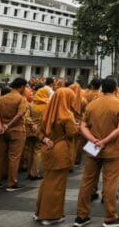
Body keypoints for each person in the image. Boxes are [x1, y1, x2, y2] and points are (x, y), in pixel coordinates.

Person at [74, 77, 119, 227]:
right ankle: (110, 217)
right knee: (110, 182)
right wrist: (104, 141)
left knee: (87, 181)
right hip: (112, 148)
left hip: (92, 148)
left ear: (102, 88)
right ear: (116, 88)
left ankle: (81, 216)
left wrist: (93, 140)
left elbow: (83, 126)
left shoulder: (92, 105)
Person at [35, 87, 78, 226]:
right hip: (61, 152)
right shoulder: (67, 115)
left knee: (46, 182)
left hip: (48, 149)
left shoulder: (47, 113)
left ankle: (39, 212)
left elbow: (40, 133)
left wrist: (45, 139)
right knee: (56, 186)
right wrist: (79, 126)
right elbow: (72, 133)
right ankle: (50, 216)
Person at [0, 77, 28, 192]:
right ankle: (12, 183)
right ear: (22, 87)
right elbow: (20, 114)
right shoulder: (21, 99)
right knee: (14, 158)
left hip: (3, 131)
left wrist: (1, 126)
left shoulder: (2, 98)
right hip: (16, 130)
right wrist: (9, 125)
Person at [25, 85, 51, 180]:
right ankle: (35, 173)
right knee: (38, 151)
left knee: (30, 151)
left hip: (30, 131)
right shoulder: (47, 106)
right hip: (41, 131)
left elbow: (26, 116)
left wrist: (32, 124)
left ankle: (29, 172)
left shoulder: (31, 105)